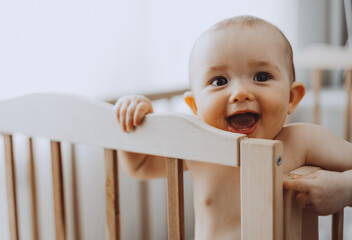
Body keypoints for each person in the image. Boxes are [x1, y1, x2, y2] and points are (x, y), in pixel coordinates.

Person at [114, 15, 352, 239]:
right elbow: (140, 166)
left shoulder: (303, 141)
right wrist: (133, 120)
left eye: (261, 76)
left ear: (291, 97)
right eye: (219, 81)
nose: (239, 93)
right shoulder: (196, 142)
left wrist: (343, 188)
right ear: (195, 106)